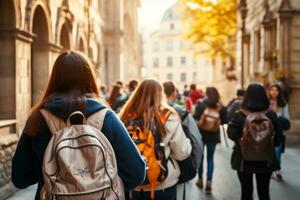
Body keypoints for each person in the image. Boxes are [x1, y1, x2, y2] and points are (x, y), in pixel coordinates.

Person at [11, 51, 146, 200]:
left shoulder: (38, 118)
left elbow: (20, 178)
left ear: (54, 79)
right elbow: (136, 174)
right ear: (89, 78)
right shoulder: (106, 118)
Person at [120, 79, 192, 200]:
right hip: (164, 183)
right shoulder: (169, 116)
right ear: (160, 94)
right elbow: (182, 153)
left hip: (135, 184)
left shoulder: (124, 116)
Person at [227, 83, 284, 200]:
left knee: (246, 193)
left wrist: (241, 141)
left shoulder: (240, 114)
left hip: (244, 159)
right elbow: (279, 137)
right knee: (264, 193)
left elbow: (231, 133)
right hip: (266, 159)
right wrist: (269, 145)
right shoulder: (270, 114)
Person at [163, 81, 203, 200]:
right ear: (174, 94)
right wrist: (194, 166)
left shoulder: (141, 112)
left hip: (147, 176)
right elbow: (196, 140)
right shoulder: (180, 113)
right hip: (177, 169)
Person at [193, 87, 227, 193]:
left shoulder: (201, 103)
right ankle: (209, 181)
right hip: (213, 136)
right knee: (210, 158)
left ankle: (200, 179)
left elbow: (195, 117)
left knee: (201, 157)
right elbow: (225, 121)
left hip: (201, 135)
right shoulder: (221, 106)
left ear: (206, 93)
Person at [269, 84, 290, 181]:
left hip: (279, 132)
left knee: (277, 151)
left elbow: (287, 119)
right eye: (272, 90)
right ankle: (272, 169)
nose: (274, 92)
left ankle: (277, 171)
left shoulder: (283, 104)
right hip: (268, 132)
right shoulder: (266, 103)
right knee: (270, 151)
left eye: (276, 90)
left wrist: (284, 131)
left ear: (279, 92)